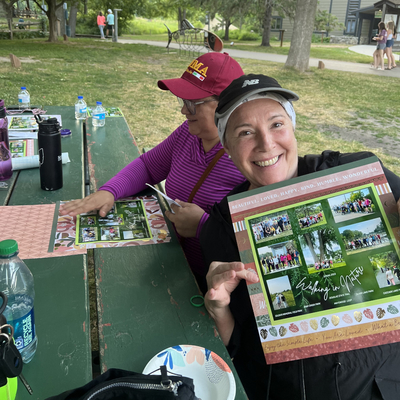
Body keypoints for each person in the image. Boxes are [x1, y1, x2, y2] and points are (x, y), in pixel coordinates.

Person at [200, 74, 400, 400]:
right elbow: (240, 345)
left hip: (384, 379)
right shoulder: (222, 229)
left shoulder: (357, 174)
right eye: (246, 133)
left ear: (293, 128)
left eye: (277, 124)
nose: (266, 144)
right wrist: (219, 309)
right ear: (227, 146)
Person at [59, 52, 245, 293]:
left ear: (226, 106)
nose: (183, 111)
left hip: (214, 287)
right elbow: (148, 166)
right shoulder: (188, 134)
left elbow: (257, 241)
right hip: (172, 264)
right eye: (182, 101)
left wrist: (203, 227)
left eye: (192, 103)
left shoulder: (247, 160)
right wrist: (110, 191)